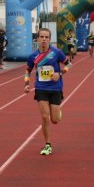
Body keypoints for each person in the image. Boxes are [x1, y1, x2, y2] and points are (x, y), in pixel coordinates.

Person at [24, 28, 71, 156]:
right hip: (41, 88)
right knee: (45, 117)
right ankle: (48, 145)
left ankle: (57, 113)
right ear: (37, 39)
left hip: (55, 88)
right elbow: (27, 71)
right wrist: (26, 84)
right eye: (41, 37)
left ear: (50, 39)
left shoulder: (57, 53)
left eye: (46, 37)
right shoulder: (33, 56)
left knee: (54, 120)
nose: (44, 39)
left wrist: (60, 73)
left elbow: (69, 64)